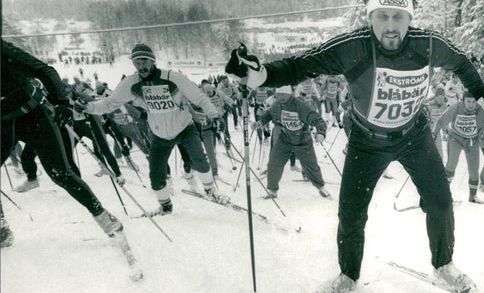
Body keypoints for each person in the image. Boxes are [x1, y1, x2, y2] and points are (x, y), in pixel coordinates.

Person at [226, 0, 484, 293]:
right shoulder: (353, 47)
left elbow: (460, 62)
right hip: (367, 141)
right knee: (350, 213)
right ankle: (348, 275)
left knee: (441, 203)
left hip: (414, 136)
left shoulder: (429, 44)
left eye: (398, 17)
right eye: (382, 17)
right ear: (370, 18)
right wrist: (262, 74)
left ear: (410, 18)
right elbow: (302, 65)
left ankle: (444, 265)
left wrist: (480, 93)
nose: (390, 26)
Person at [76, 43, 228, 215]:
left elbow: (199, 97)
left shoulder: (173, 78)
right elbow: (110, 103)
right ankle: (165, 206)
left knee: (199, 160)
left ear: (152, 61)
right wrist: (88, 107)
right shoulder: (131, 84)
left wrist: (214, 115)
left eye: (144, 62)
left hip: (184, 128)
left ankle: (211, 191)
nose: (141, 67)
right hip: (159, 135)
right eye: (137, 63)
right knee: (155, 176)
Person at [1, 40, 123, 247]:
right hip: (4, 123)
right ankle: (2, 228)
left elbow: (45, 70)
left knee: (60, 172)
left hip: (33, 116)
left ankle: (104, 217)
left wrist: (63, 103)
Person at [257, 85, 330, 199]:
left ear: (289, 93)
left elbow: (317, 119)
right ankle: (273, 190)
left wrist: (321, 132)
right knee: (274, 162)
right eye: (278, 94)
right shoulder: (277, 104)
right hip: (285, 138)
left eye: (283, 94)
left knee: (311, 165)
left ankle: (320, 187)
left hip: (302, 139)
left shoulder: (299, 105)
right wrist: (260, 122)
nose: (280, 97)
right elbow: (269, 114)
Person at [433, 92, 484, 203]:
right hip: (456, 138)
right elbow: (442, 120)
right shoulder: (456, 107)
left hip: (472, 141)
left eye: (473, 102)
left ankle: (473, 196)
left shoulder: (480, 111)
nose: (471, 105)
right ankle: (443, 193)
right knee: (451, 165)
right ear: (463, 101)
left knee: (474, 169)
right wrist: (434, 133)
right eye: (468, 102)